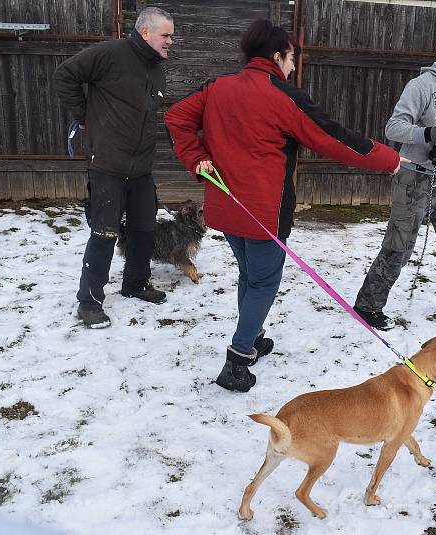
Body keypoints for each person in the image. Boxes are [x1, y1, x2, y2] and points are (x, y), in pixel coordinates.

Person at [165, 19, 408, 392]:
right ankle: (238, 360)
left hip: (227, 210)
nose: (292, 67)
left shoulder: (216, 87)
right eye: (291, 58)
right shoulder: (282, 96)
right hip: (263, 213)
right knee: (262, 282)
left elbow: (176, 116)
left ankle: (253, 335)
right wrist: (387, 159)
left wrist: (196, 156)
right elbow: (333, 138)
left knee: (250, 276)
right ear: (277, 56)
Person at [353, 16, 436, 330]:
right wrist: (429, 136)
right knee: (399, 244)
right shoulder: (421, 85)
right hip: (412, 175)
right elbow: (394, 128)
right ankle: (368, 306)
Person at [53, 7, 174, 329]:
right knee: (105, 233)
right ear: (145, 32)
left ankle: (135, 283)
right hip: (108, 163)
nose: (170, 41)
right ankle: (89, 301)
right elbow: (65, 75)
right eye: (165, 35)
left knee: (144, 229)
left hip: (142, 167)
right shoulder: (109, 54)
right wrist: (86, 118)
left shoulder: (156, 66)